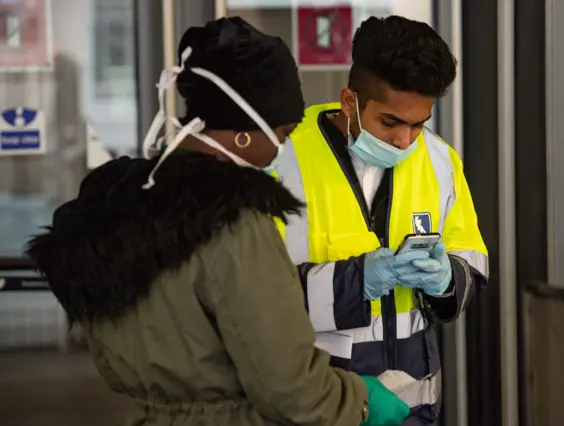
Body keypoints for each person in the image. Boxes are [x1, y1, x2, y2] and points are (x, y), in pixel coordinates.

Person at [25, 17, 410, 426]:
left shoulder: (118, 210)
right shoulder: (235, 224)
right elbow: (290, 389)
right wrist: (361, 401)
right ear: (244, 133)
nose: (282, 147)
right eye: (282, 133)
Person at [273, 16, 489, 425]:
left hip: (413, 410)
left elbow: (471, 267)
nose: (404, 141)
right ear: (350, 102)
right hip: (317, 408)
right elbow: (249, 299)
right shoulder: (281, 160)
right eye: (390, 122)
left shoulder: (441, 160)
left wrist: (447, 280)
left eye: (418, 125)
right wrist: (360, 281)